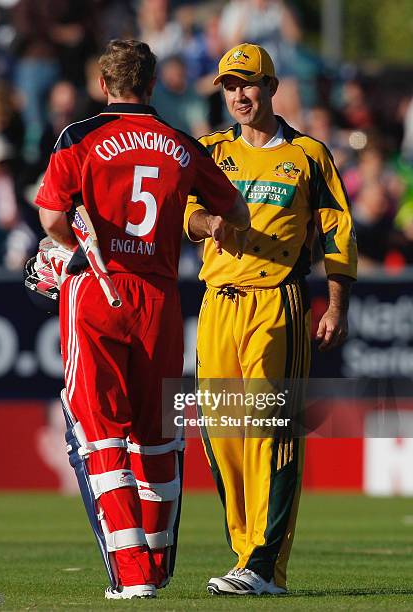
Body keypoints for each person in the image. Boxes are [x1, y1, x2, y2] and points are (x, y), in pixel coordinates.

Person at [34, 39, 249, 600]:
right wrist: (198, 224)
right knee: (157, 437)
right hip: (160, 296)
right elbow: (234, 211)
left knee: (99, 431)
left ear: (103, 85)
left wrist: (67, 249)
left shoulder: (79, 137)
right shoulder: (181, 143)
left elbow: (54, 216)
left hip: (98, 288)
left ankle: (132, 578)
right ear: (151, 85)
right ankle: (154, 564)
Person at [184, 43, 357, 596]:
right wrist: (204, 221)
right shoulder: (208, 152)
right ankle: (244, 556)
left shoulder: (308, 154)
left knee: (271, 431)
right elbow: (180, 211)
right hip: (217, 304)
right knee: (223, 434)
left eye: (248, 84)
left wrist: (335, 304)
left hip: (277, 301)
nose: (239, 96)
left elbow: (337, 231)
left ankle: (264, 565)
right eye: (230, 87)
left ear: (272, 87)